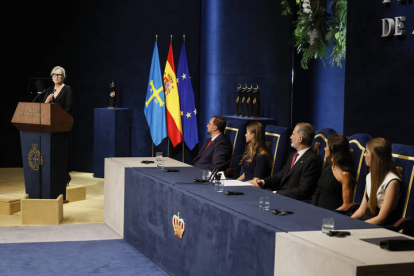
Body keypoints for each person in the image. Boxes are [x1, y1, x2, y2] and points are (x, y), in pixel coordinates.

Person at [253, 122, 321, 199]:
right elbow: (281, 176)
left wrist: (275, 193)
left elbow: (303, 190)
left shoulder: (312, 160)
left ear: (300, 139)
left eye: (293, 134)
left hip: (293, 201)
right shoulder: (293, 155)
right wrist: (262, 182)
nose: (290, 137)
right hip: (282, 196)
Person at [351, 138, 402, 225]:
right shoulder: (369, 176)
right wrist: (347, 222)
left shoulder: (392, 182)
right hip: (365, 222)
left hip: (378, 227)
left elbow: (381, 218)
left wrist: (358, 227)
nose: (364, 155)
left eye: (366, 152)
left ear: (375, 157)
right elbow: (362, 209)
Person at [43, 66, 74, 186]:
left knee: (60, 153)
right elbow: (43, 109)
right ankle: (52, 177)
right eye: (54, 74)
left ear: (63, 77)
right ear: (51, 77)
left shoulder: (67, 89)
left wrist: (58, 117)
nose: (57, 77)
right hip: (49, 127)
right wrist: (46, 102)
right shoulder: (49, 90)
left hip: (62, 126)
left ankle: (64, 177)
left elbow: (69, 108)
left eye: (59, 75)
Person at [311, 134, 355, 210]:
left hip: (332, 216)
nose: (324, 149)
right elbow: (318, 191)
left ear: (334, 150)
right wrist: (312, 208)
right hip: (317, 212)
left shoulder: (344, 174)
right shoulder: (328, 166)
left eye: (326, 146)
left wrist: (331, 214)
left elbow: (346, 205)